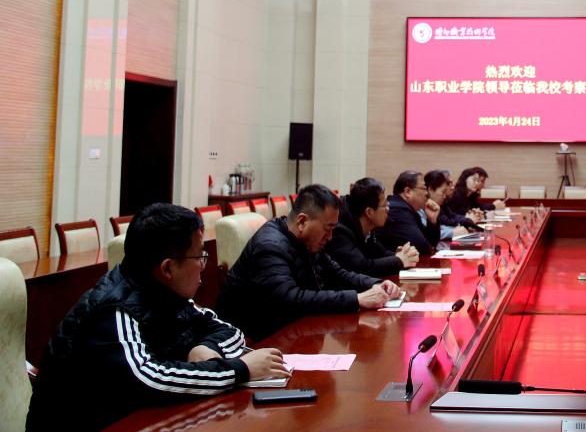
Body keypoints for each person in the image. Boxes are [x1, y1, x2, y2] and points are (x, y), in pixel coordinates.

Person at [27, 204, 288, 431]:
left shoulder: (165, 291)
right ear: (168, 268)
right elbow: (150, 378)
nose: (203, 265)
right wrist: (240, 369)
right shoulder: (114, 309)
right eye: (199, 256)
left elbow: (230, 331)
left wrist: (205, 347)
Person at [217, 184, 399, 342]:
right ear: (302, 221)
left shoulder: (307, 241)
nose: (330, 237)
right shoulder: (270, 246)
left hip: (291, 329)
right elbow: (290, 300)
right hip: (251, 340)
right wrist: (356, 299)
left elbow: (337, 273)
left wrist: (375, 284)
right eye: (328, 229)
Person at [325, 177, 419, 277]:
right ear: (369, 212)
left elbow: (379, 253)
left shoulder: (366, 224)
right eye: (384, 205)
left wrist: (400, 255)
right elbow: (361, 267)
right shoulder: (339, 229)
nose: (388, 209)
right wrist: (399, 260)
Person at [376, 170, 442, 256]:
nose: (427, 194)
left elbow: (431, 244)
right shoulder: (397, 210)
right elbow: (422, 248)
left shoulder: (409, 210)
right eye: (424, 188)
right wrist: (429, 247)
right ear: (407, 192)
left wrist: (432, 221)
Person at [427, 169, 483, 241]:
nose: (452, 187)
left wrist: (467, 221)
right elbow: (445, 221)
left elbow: (451, 217)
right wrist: (466, 221)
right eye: (448, 183)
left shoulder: (441, 201)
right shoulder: (454, 197)